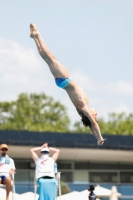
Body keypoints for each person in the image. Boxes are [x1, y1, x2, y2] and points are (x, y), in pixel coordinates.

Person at [30, 23, 106, 145]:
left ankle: (38, 36)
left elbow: (94, 124)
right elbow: (91, 126)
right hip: (61, 83)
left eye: (95, 115)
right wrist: (97, 138)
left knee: (51, 57)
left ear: (90, 115)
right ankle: (35, 38)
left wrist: (100, 137)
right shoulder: (81, 110)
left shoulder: (84, 109)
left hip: (66, 80)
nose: (96, 113)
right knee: (47, 59)